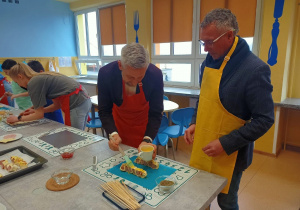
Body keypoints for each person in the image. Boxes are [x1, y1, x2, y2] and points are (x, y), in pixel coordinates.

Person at [184, 8, 274, 210]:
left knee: (227, 201)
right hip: (203, 147)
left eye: (209, 42)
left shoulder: (255, 69)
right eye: (202, 42)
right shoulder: (208, 62)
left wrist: (226, 143)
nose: (205, 48)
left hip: (231, 154)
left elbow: (265, 119)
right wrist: (194, 122)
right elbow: (204, 98)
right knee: (199, 195)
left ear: (230, 35)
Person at [98, 43, 163, 158]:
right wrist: (112, 133)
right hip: (119, 127)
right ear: (120, 65)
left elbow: (156, 113)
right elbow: (104, 110)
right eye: (130, 77)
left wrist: (147, 139)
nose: (135, 82)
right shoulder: (106, 74)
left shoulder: (155, 75)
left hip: (144, 127)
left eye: (140, 77)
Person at [6, 63, 91, 130]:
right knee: (78, 134)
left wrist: (18, 118)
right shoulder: (40, 78)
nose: (18, 84)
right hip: (84, 100)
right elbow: (57, 105)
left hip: (76, 102)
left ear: (20, 77)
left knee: (74, 136)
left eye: (16, 82)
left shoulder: (33, 82)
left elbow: (39, 115)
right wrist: (35, 110)